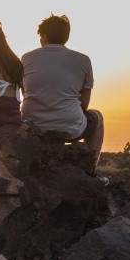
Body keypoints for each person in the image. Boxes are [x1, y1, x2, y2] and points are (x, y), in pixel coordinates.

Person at [21, 13, 105, 167]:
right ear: (66, 36)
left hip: (33, 126)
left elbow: (25, 94)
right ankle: (90, 169)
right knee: (97, 117)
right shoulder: (84, 60)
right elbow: (84, 105)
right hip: (70, 128)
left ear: (44, 36)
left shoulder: (26, 58)